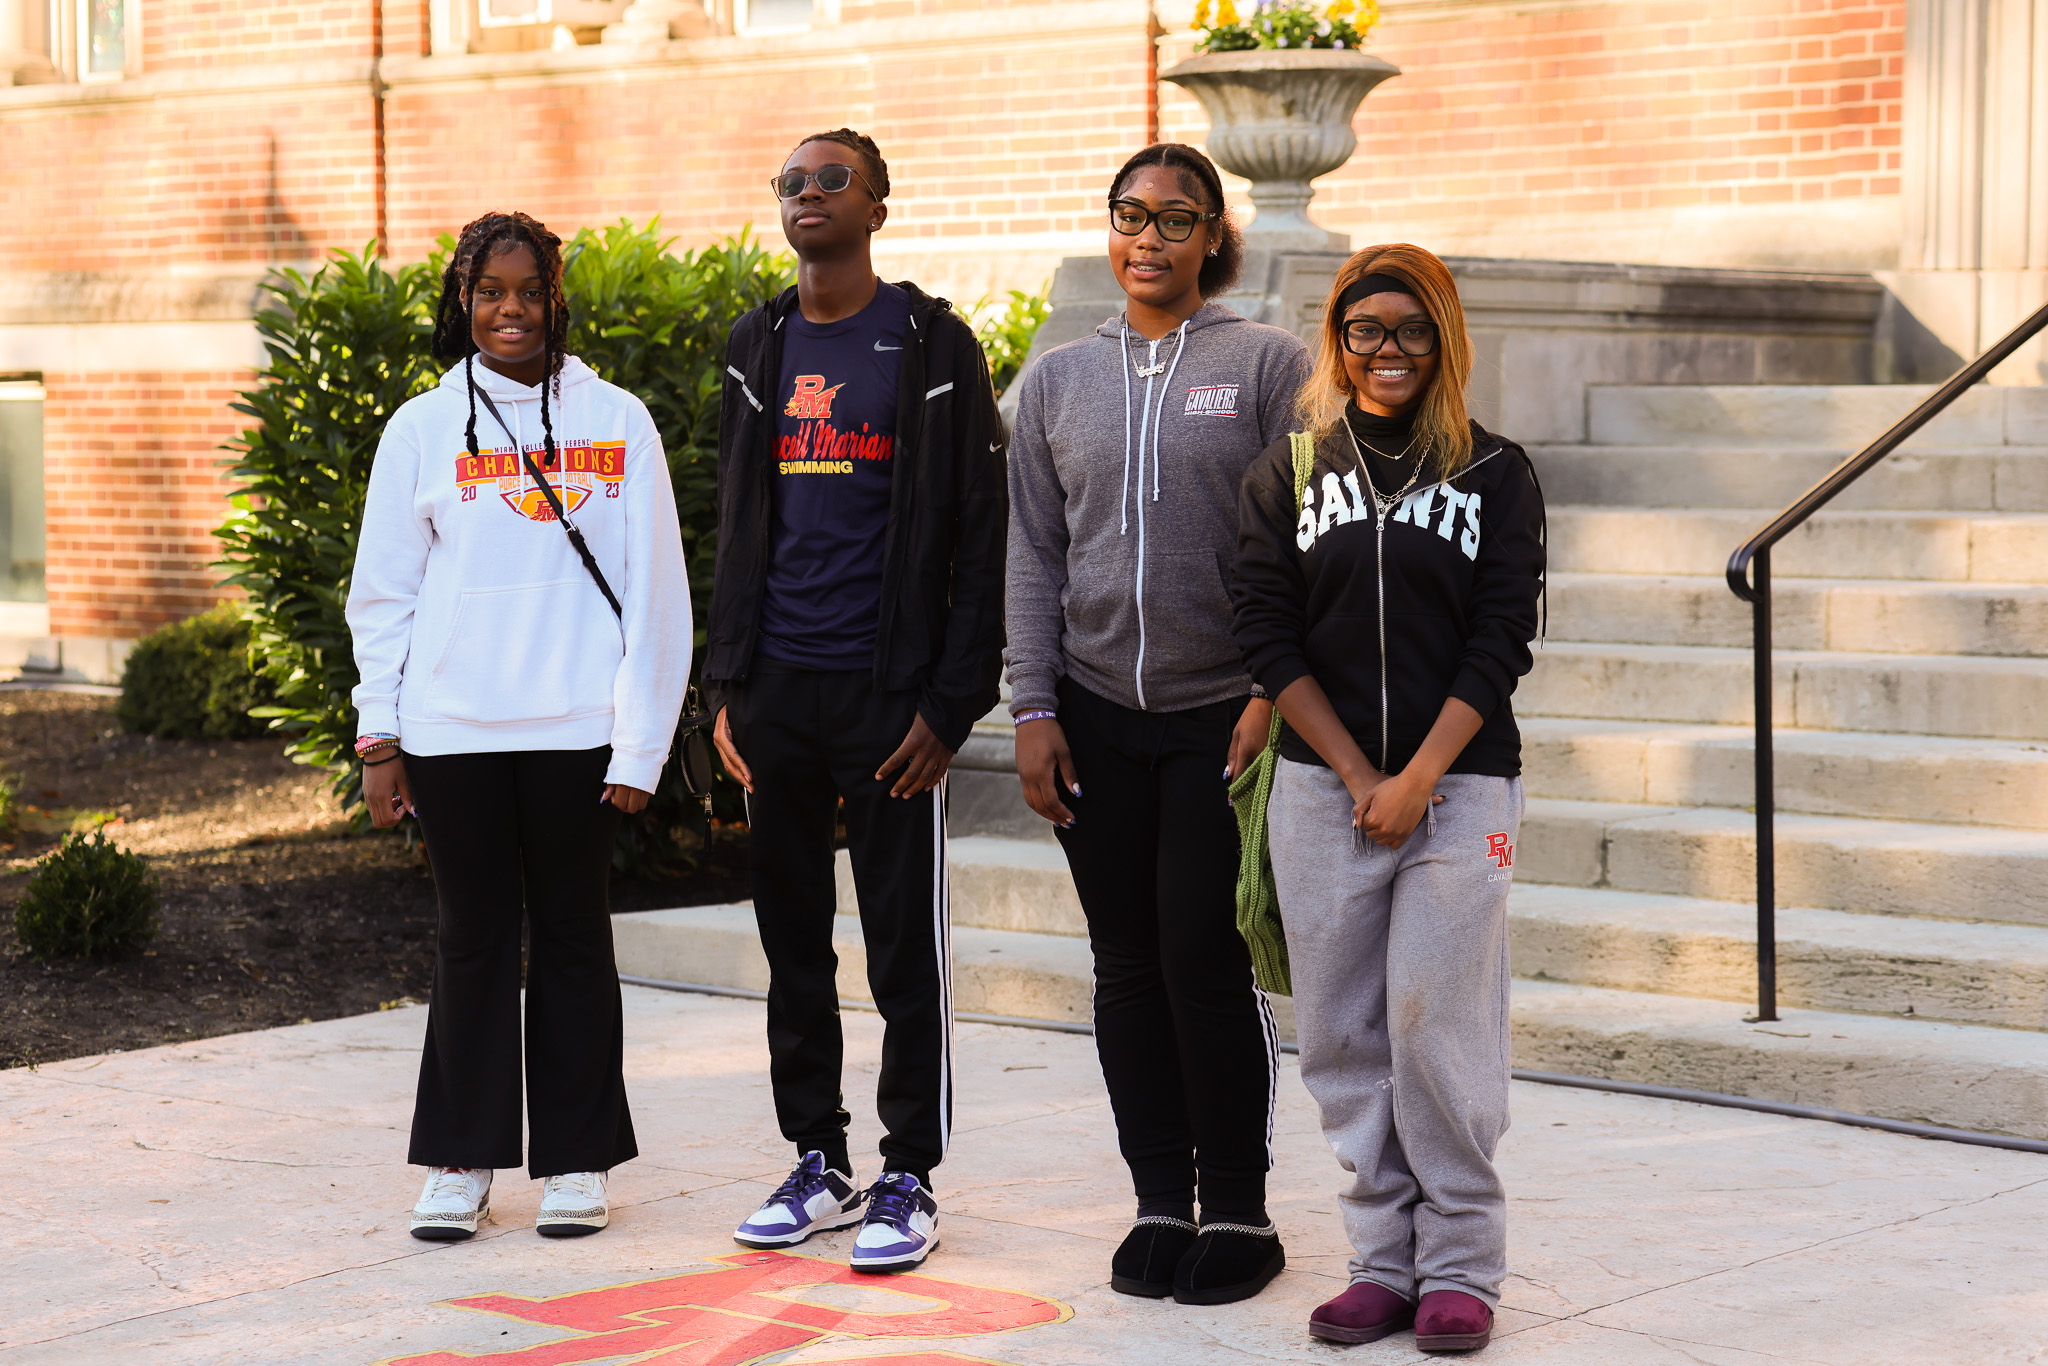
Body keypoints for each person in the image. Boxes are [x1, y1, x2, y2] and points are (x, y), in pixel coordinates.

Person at [1003, 142, 1310, 1306]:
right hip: (1089, 712)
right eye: (1129, 216)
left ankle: (1234, 1201)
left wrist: (1267, 689)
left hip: (1217, 716)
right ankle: (1156, 1196)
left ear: (1212, 235)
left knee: (1201, 948)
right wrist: (1031, 704)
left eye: (1174, 219)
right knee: (1122, 961)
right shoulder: (1055, 379)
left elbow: (1301, 541)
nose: (1148, 238)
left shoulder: (1269, 363)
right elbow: (1032, 550)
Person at [347, 210, 692, 1242]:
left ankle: (578, 1158)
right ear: (464, 300)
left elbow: (656, 594)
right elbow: (382, 596)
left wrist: (640, 743)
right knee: (472, 941)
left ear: (556, 298)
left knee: (578, 938)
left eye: (528, 290)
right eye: (489, 292)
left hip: (580, 731)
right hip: (451, 730)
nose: (509, 310)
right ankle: (461, 1159)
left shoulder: (618, 420)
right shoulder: (419, 427)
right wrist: (380, 735)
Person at [1230, 243, 1546, 1353]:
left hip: (1458, 790)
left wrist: (1416, 777)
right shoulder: (1291, 470)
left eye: (1411, 330)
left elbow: (1500, 638)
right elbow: (1263, 632)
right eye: (1364, 330)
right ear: (1336, 340)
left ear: (1443, 341)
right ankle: (1380, 1260)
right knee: (1343, 1035)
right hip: (1324, 792)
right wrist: (1362, 776)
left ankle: (1459, 1264)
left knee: (1435, 1024)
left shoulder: (1494, 472)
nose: (1387, 352)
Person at [704, 129, 1007, 1274]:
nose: (808, 195)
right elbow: (737, 524)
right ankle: (816, 1162)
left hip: (890, 700)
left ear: (877, 205)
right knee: (791, 944)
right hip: (776, 691)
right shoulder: (758, 344)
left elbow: (980, 537)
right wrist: (724, 688)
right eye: (789, 181)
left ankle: (908, 1176)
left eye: (832, 179)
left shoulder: (930, 343)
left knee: (898, 952)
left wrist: (951, 701)